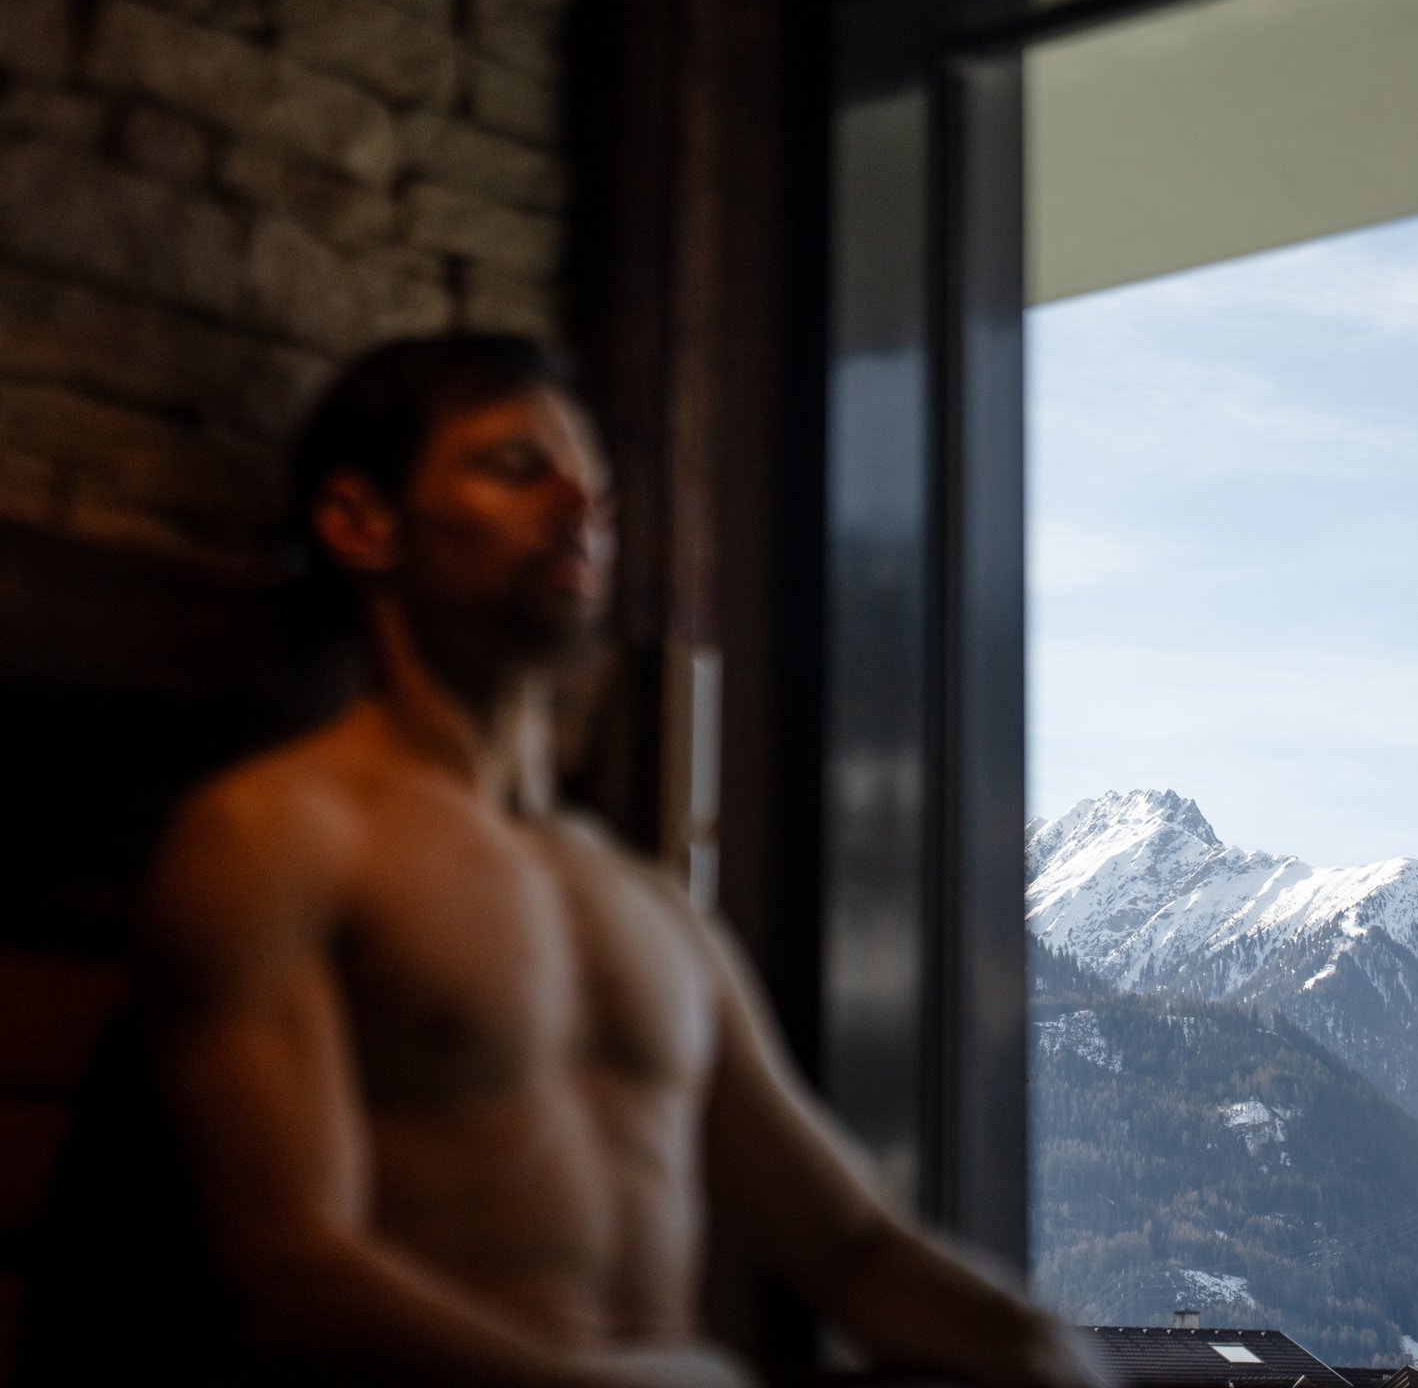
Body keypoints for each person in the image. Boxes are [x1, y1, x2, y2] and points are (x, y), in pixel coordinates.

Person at [142, 335, 1102, 1388]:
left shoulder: (647, 901)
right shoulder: (274, 835)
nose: (580, 507)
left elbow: (855, 1250)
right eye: (517, 466)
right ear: (359, 522)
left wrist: (1045, 1349)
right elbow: (289, 1276)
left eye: (594, 487)